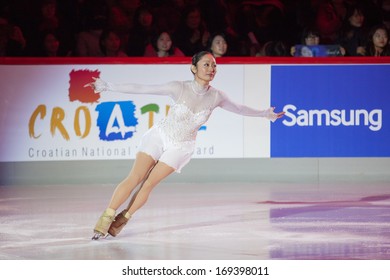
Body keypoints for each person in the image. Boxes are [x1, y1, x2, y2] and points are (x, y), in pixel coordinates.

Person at [85, 51, 285, 240]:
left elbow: (239, 108)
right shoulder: (178, 87)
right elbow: (143, 88)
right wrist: (107, 85)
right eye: (206, 64)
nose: (211, 69)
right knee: (135, 177)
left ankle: (122, 219)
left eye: (214, 65)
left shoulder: (217, 96)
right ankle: (105, 219)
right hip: (160, 135)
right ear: (193, 68)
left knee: (149, 183)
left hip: (181, 147)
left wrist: (265, 114)